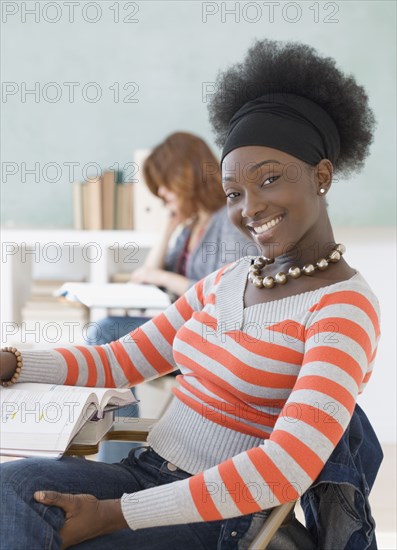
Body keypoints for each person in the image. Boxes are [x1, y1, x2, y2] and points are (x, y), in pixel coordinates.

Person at [0, 39, 382, 550]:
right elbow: (117, 360)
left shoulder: (343, 308)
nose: (250, 207)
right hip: (146, 472)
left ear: (321, 175)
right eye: (234, 193)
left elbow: (286, 467)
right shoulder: (228, 280)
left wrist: (112, 515)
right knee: (10, 489)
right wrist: (14, 363)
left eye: (269, 179)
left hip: (224, 515)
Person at [88, 132, 253, 463]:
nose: (162, 194)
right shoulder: (193, 227)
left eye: (165, 185)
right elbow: (145, 274)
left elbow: (230, 290)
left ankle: (117, 461)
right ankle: (116, 454)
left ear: (186, 176)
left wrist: (162, 278)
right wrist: (168, 226)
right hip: (183, 335)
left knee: (107, 332)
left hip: (212, 342)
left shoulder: (229, 220)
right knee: (104, 333)